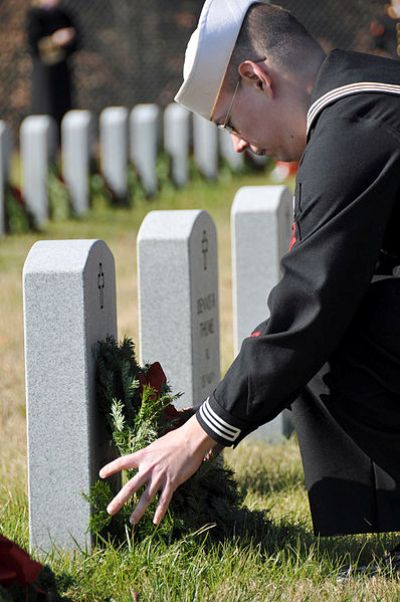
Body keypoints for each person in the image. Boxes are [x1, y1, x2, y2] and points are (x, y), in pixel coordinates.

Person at [100, 0, 400, 540]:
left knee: (333, 331)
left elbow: (309, 308)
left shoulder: (350, 130)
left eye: (229, 121)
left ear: (255, 77)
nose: (238, 143)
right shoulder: (361, 91)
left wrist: (198, 433)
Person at [26, 0, 80, 133]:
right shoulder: (35, 15)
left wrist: (68, 40)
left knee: (64, 105)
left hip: (62, 69)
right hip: (44, 71)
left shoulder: (64, 15)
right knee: (46, 104)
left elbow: (77, 41)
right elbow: (34, 46)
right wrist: (55, 41)